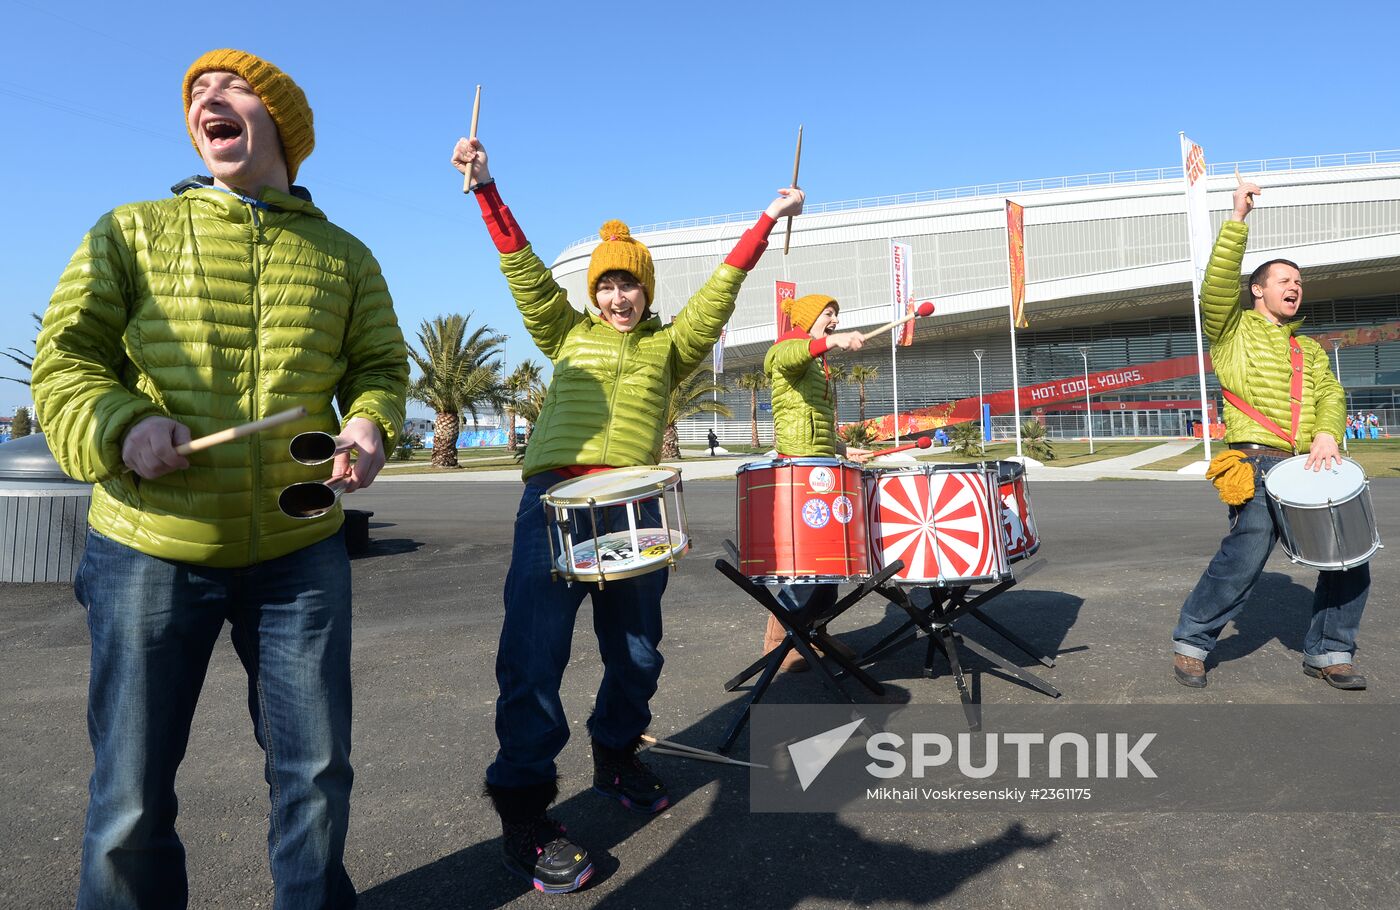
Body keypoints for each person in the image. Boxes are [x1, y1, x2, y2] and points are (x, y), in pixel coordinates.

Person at [32, 49, 408, 908]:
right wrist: (122, 425)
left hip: (300, 551)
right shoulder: (128, 230)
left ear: (282, 120)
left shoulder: (346, 255)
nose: (207, 96)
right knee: (128, 794)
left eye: (231, 87)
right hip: (147, 548)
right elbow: (65, 360)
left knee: (316, 777)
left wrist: (370, 422)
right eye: (196, 92)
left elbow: (381, 365)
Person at [451, 135, 803, 893]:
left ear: (646, 293)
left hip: (636, 513)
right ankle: (524, 810)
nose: (618, 297)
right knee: (534, 658)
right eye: (607, 286)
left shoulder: (671, 348)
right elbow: (521, 270)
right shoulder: (563, 332)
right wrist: (486, 189)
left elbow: (721, 290)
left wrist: (765, 220)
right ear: (593, 293)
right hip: (551, 505)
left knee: (638, 654)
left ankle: (615, 752)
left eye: (630, 287)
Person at [1170, 177, 1368, 691]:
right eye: (1284, 279)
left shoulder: (1311, 349)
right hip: (1256, 463)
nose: (1295, 287)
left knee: (1350, 558)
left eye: (1299, 282)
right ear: (1258, 289)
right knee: (1244, 558)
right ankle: (1192, 642)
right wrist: (1238, 218)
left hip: (1312, 463)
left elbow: (1332, 396)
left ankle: (1330, 652)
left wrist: (1327, 433)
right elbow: (1214, 287)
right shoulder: (1230, 331)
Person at [760, 294, 870, 670]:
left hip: (821, 461)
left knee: (830, 559)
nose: (835, 319)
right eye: (828, 314)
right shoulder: (786, 349)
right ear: (809, 319)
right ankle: (780, 640)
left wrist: (842, 448)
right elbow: (793, 356)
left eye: (837, 314)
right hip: (797, 463)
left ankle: (814, 632)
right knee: (808, 561)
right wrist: (833, 340)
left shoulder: (818, 364)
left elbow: (815, 416)